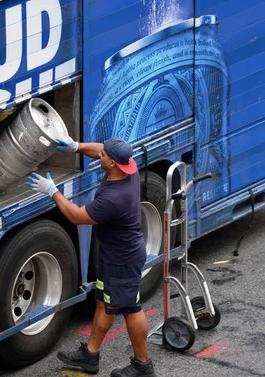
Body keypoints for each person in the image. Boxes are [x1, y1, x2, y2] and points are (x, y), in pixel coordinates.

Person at [27, 136, 156, 377]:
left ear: (114, 164)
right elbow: (101, 150)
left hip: (123, 260)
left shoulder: (113, 199)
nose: (100, 156)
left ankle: (143, 365)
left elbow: (76, 216)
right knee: (103, 302)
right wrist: (76, 146)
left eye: (105, 156)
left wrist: (52, 191)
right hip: (113, 254)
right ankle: (91, 355)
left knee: (131, 308)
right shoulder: (129, 166)